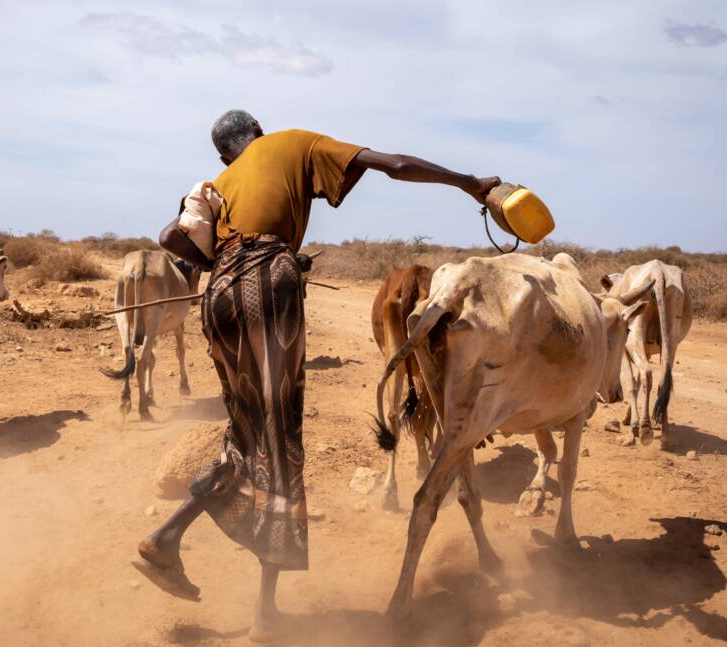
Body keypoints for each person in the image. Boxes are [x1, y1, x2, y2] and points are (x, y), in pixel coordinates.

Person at [134, 109, 500, 641]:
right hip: (269, 280)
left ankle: (167, 541)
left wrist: (225, 261)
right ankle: (262, 613)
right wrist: (469, 184)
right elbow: (392, 164)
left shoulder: (218, 182)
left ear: (223, 154)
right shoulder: (295, 142)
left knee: (247, 435)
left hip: (218, 295)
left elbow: (171, 236)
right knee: (279, 447)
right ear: (258, 134)